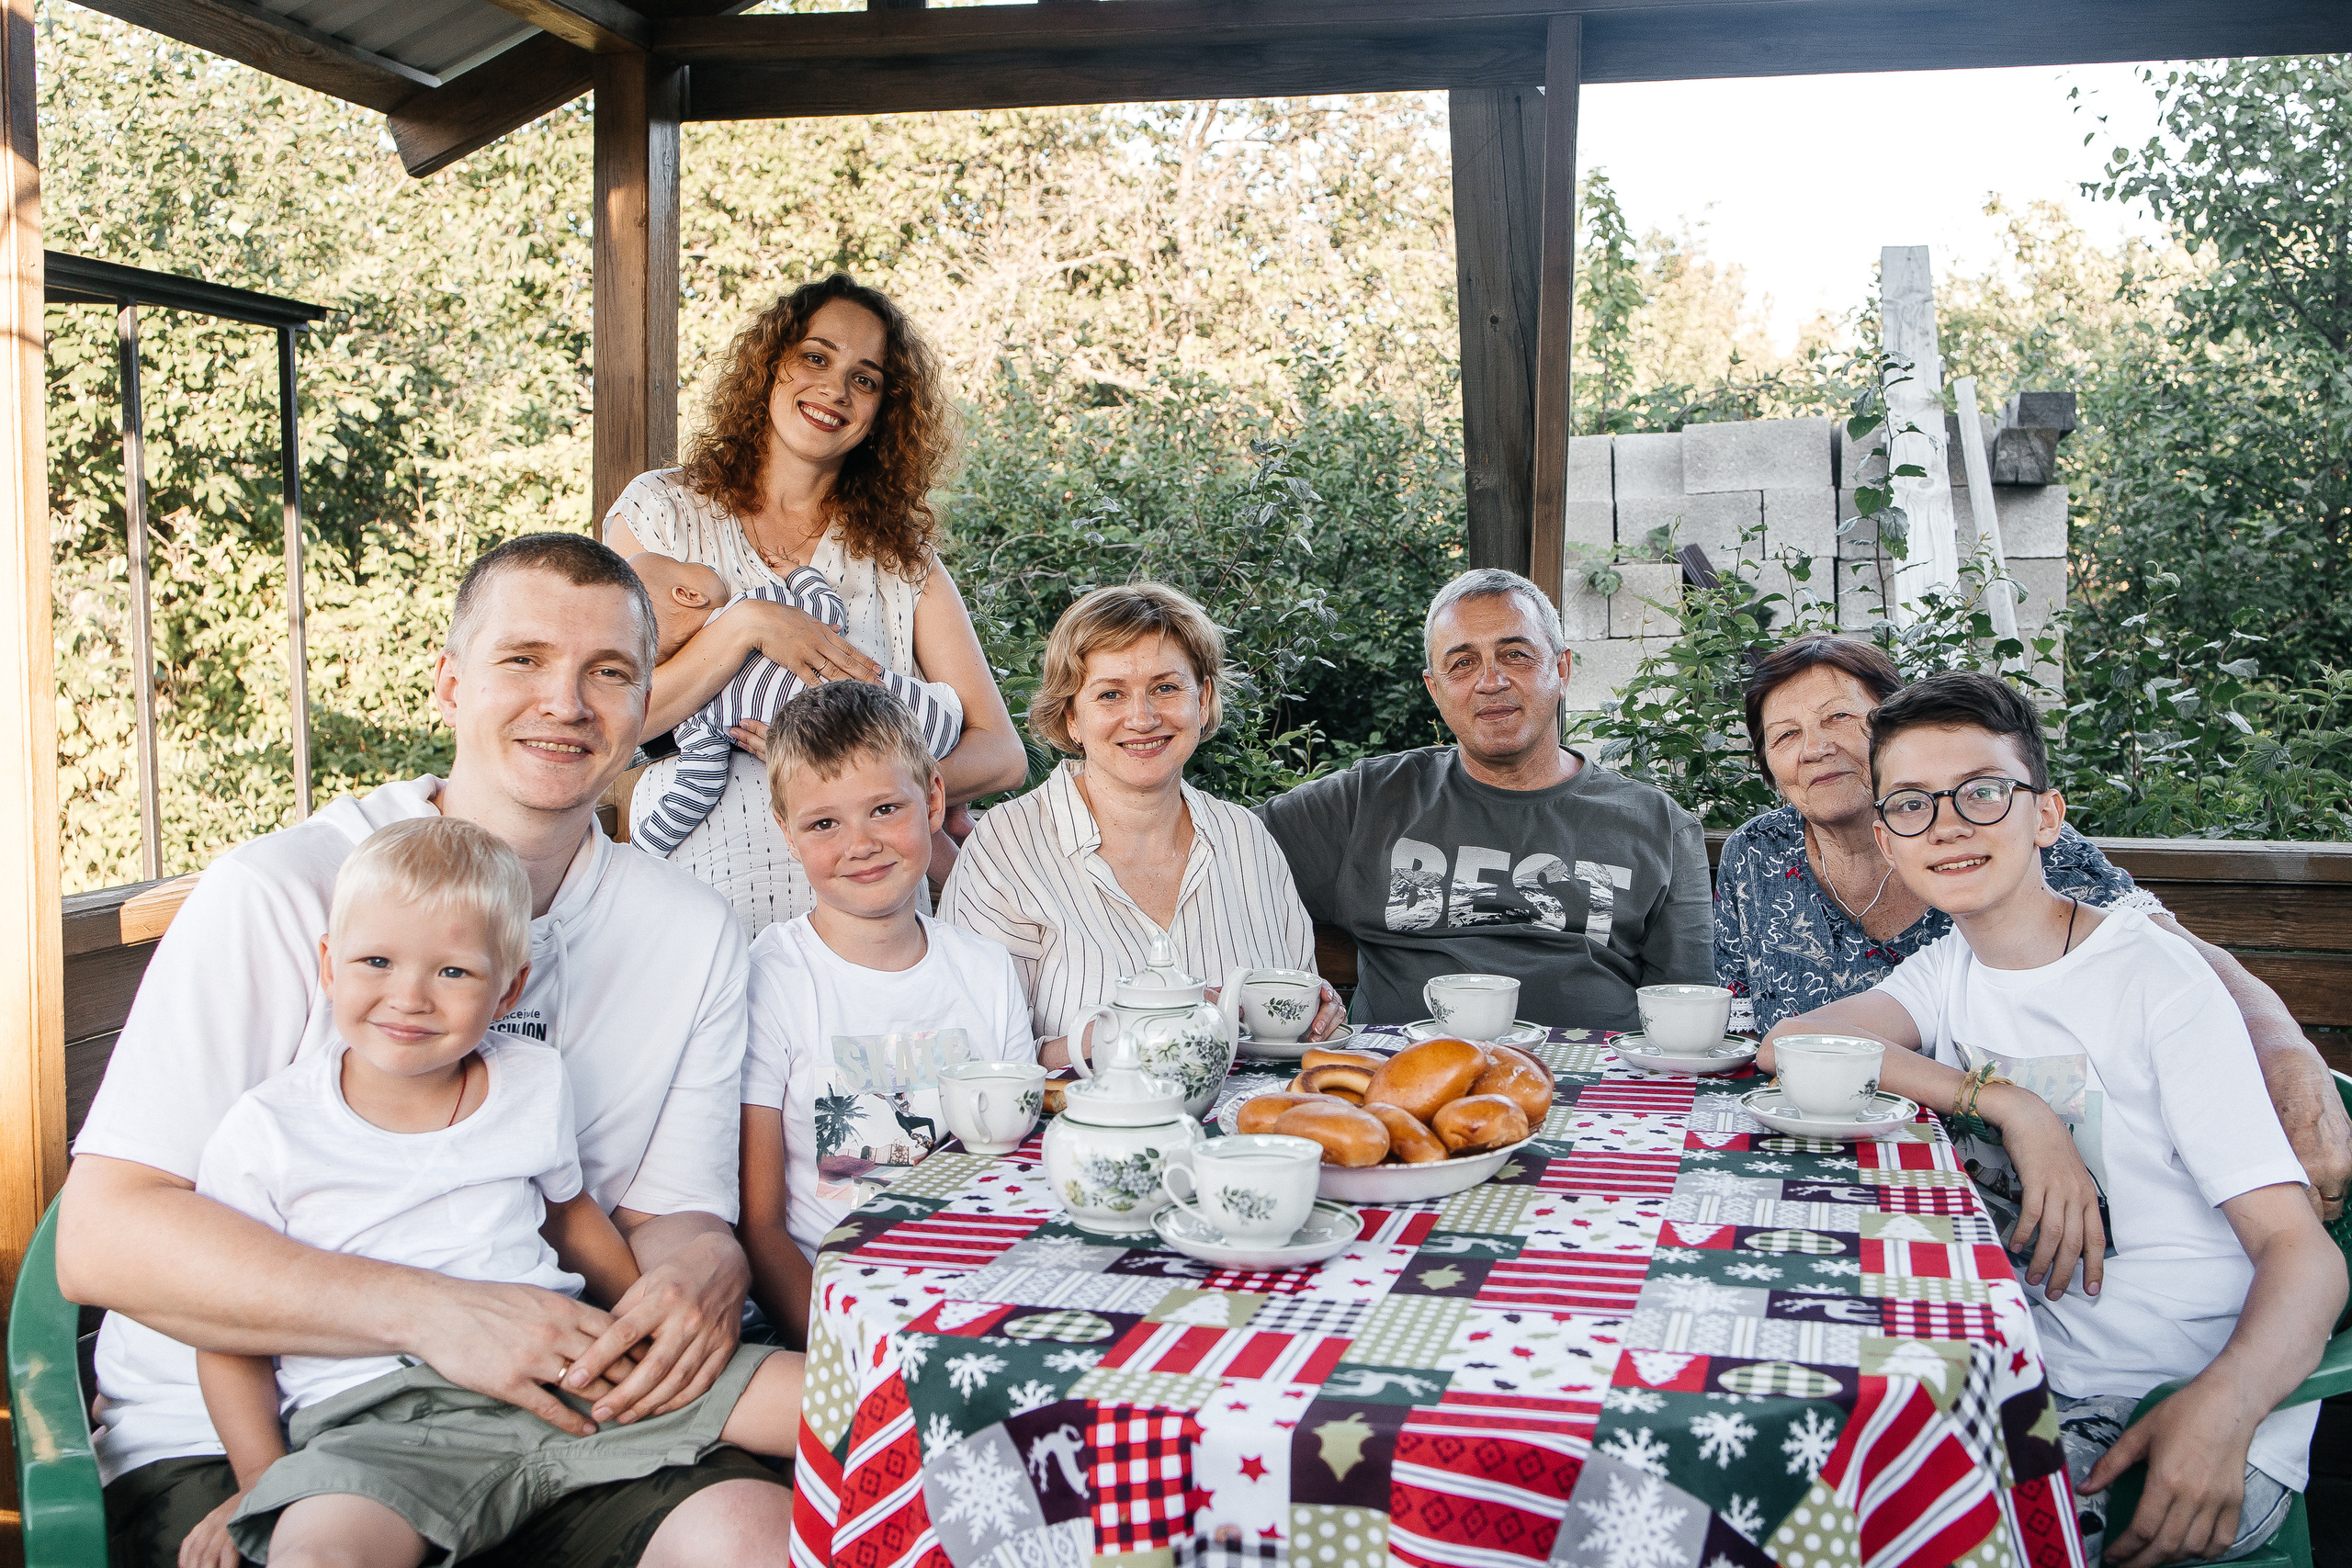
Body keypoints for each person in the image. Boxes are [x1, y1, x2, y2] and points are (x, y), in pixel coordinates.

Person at [59, 533, 789, 1568]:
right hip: (250, 1436)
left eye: (610, 673)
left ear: (642, 711)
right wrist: (440, 1315)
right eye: (523, 660)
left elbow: (670, 1216)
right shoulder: (278, 894)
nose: (567, 703)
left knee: (754, 1540)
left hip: (551, 1404)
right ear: (450, 683)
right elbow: (104, 1239)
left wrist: (697, 1274)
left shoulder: (691, 930)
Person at [1760, 671, 2345, 1568]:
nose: (1947, 824)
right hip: (2024, 1371)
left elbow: (2301, 1253)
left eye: (1982, 792)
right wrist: (2005, 1101)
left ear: (2045, 817)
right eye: (1912, 804)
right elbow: (1793, 1042)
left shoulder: (2153, 979)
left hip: (2171, 1402)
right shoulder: (1949, 969)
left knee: (1863, 1531)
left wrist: (2223, 1406)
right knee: (1796, 1474)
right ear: (1886, 835)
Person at [186, 818, 802, 1568]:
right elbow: (226, 1329)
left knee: (835, 1400)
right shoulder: (270, 1129)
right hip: (382, 1427)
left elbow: (573, 1224)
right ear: (328, 966)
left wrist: (647, 1330)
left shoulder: (530, 1079)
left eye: (453, 972)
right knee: (319, 1556)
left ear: (509, 984)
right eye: (376, 961)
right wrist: (263, 1479)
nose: (408, 996)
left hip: (569, 1372)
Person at [1717, 630, 2352, 1219]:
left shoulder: (2006, 837)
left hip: (1990, 1183)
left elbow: (2165, 947)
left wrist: (2287, 1052)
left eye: (1838, 718)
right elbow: (1749, 1029)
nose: (1815, 747)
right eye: (1785, 735)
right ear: (1769, 765)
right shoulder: (1755, 854)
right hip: (1818, 1157)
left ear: (1892, 731)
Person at [604, 272, 1026, 932]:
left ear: (885, 409)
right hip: (698, 910)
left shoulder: (898, 556)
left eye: (866, 378)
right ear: (772, 364)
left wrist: (843, 778)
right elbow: (610, 715)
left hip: (873, 921)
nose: (835, 388)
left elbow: (1001, 753)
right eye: (816, 356)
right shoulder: (660, 514)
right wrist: (746, 625)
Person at [1256, 567, 1713, 1032]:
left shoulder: (1660, 825)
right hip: (1408, 1085)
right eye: (1461, 663)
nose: (1490, 681)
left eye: (1515, 655)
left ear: (1561, 669)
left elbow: (1686, 1014)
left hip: (1594, 1086)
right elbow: (1206, 848)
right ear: (1435, 689)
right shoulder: (1366, 802)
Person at [737, 682, 1036, 1346]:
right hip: (840, 1312)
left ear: (931, 799)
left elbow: (1017, 1172)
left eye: (883, 808)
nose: (861, 842)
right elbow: (759, 1225)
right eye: (824, 823)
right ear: (787, 832)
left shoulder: (986, 969)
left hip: (989, 1292)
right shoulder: (773, 976)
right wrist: (844, 1355)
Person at [940, 582, 1342, 1066]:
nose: (1143, 717)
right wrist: (1129, 1032)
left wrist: (1316, 1013)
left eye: (1166, 688)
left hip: (1245, 1130)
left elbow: (1291, 1014)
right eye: (1110, 695)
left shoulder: (1246, 839)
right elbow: (974, 1056)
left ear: (1203, 698)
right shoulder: (1006, 849)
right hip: (1078, 1133)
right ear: (1071, 717)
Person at [626, 550, 962, 856]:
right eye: (688, 565)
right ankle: (954, 814)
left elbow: (698, 787)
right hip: (926, 713)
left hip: (871, 768)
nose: (711, 566)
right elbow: (830, 613)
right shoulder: (762, 602)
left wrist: (645, 845)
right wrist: (800, 575)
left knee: (882, 798)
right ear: (689, 595)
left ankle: (946, 824)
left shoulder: (693, 715)